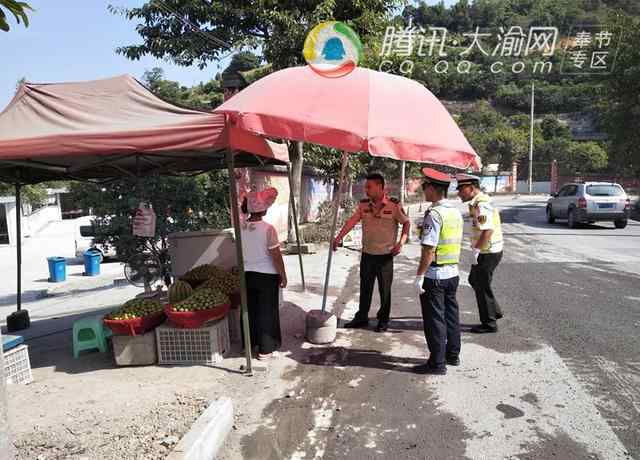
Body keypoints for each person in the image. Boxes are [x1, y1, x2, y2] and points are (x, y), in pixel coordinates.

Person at [333, 172, 410, 332]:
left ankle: (383, 320)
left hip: (385, 257)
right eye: (365, 187)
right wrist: (339, 237)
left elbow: (406, 223)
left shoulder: (394, 205)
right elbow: (351, 221)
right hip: (367, 255)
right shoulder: (363, 205)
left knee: (385, 290)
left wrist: (401, 243)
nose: (366, 190)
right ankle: (362, 317)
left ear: (381, 187)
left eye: (369, 187)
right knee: (365, 288)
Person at [412, 168, 463, 375]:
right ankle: (453, 355)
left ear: (433, 189)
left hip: (435, 276)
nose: (423, 190)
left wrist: (419, 276)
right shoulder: (454, 211)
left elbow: (429, 249)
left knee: (435, 320)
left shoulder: (434, 214)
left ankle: (437, 363)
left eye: (425, 187)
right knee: (451, 317)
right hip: (453, 274)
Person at [240, 188, 287, 360]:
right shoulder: (268, 229)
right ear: (264, 209)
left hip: (246, 275)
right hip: (266, 276)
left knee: (249, 311)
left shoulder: (241, 228)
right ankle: (265, 350)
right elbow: (276, 256)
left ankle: (249, 345)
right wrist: (283, 275)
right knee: (267, 312)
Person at [456, 174, 504, 333]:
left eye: (461, 189)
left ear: (471, 188)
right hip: (487, 250)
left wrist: (477, 250)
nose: (459, 193)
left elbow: (487, 230)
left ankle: (489, 324)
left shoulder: (481, 204)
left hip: (488, 251)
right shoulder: (476, 202)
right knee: (475, 280)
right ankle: (494, 311)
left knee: (482, 285)